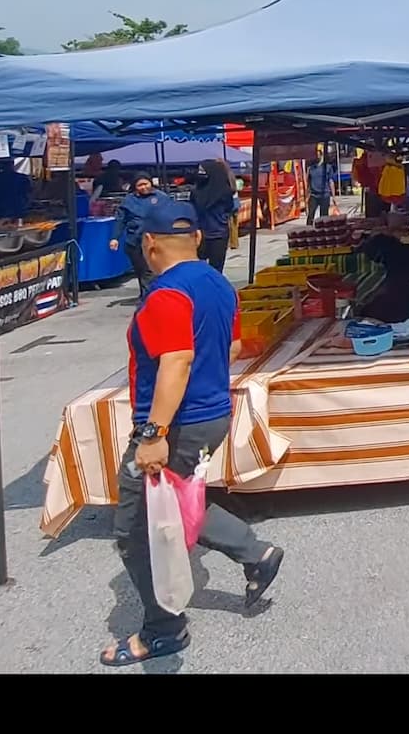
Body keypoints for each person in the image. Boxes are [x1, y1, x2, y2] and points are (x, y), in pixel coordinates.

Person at [101, 198, 284, 666]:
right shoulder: (220, 284)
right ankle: (254, 552)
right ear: (198, 238)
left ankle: (163, 629)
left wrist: (154, 431)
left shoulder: (166, 294)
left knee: (136, 527)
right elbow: (235, 346)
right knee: (177, 502)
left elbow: (176, 360)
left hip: (177, 422)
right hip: (211, 412)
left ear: (148, 242)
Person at [110, 175, 169, 296]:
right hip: (134, 240)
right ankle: (146, 294)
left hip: (155, 239)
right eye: (140, 185)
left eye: (145, 184)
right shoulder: (129, 200)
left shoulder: (161, 197)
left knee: (150, 271)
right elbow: (121, 220)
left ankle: (150, 296)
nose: (143, 187)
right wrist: (115, 238)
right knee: (140, 270)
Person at [191, 160, 236, 272]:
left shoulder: (225, 191)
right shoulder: (196, 191)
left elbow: (230, 207)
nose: (201, 173)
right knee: (200, 268)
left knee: (216, 269)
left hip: (218, 234)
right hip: (201, 234)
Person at [305, 155, 333, 224]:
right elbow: (307, 183)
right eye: (316, 154)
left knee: (324, 217)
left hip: (325, 195)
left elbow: (331, 181)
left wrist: (334, 197)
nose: (317, 156)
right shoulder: (310, 168)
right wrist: (306, 196)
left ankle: (323, 232)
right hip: (313, 195)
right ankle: (308, 231)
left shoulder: (328, 167)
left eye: (319, 154)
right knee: (310, 215)